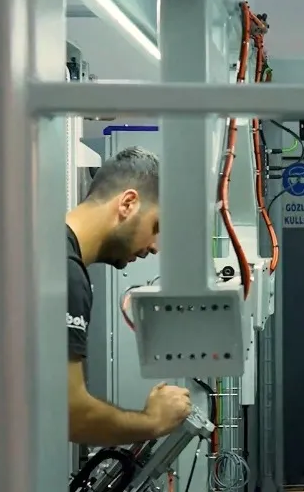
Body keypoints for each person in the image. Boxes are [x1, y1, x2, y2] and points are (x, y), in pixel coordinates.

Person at [65, 146, 192, 445]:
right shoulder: (64, 274)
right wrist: (154, 422)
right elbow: (70, 415)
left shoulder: (49, 253)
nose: (154, 246)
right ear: (128, 203)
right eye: (155, 226)